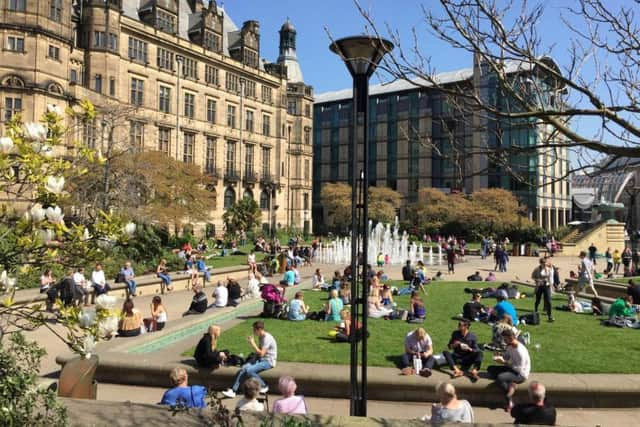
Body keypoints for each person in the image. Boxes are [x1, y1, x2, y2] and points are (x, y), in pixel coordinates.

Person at [222, 321, 277, 398]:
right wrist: (253, 359)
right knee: (244, 368)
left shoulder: (266, 338)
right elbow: (259, 353)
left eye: (254, 330)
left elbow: (261, 353)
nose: (253, 332)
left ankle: (264, 385)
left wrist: (252, 343)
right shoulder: (261, 336)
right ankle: (233, 391)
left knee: (249, 371)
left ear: (260, 329)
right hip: (261, 359)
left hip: (268, 361)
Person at [487, 329, 531, 411]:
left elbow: (519, 369)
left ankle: (509, 399)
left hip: (520, 374)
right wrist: (499, 355)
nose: (504, 341)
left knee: (500, 378)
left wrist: (504, 363)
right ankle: (511, 384)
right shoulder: (510, 346)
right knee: (490, 369)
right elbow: (506, 356)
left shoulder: (520, 351)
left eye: (505, 339)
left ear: (510, 338)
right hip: (512, 368)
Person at [532, 257, 555, 322]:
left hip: (546, 286)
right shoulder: (537, 269)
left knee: (549, 301)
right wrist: (538, 280)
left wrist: (551, 286)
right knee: (538, 300)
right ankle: (536, 310)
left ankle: (550, 316)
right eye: (543, 263)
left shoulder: (548, 269)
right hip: (539, 286)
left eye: (545, 263)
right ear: (540, 263)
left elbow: (550, 278)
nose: (544, 264)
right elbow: (533, 276)